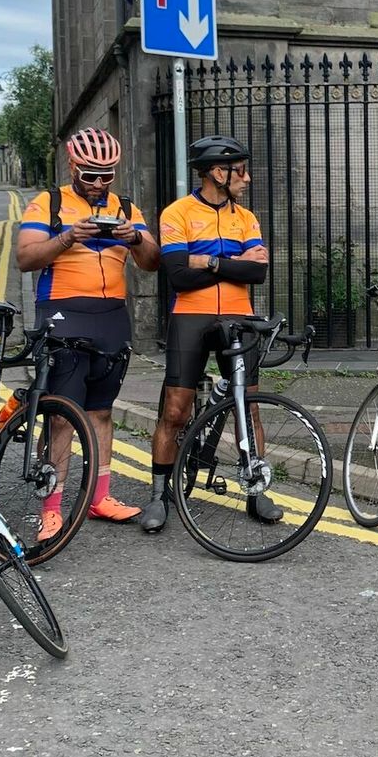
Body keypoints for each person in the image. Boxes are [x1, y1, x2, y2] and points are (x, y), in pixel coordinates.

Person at [16, 127, 160, 538]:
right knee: (62, 415)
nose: (99, 183)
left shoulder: (125, 208)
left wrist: (135, 238)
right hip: (63, 313)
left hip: (111, 316)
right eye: (91, 174)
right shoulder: (49, 202)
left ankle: (99, 498)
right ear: (73, 167)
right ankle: (51, 507)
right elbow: (25, 258)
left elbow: (152, 262)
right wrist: (67, 237)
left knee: (101, 412)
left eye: (107, 175)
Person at [145, 135, 281, 531]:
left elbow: (258, 272)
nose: (247, 178)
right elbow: (178, 276)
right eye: (240, 171)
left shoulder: (246, 218)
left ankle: (256, 490)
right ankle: (159, 495)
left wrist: (208, 261)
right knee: (175, 410)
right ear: (217, 173)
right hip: (190, 317)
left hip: (239, 317)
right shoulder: (177, 213)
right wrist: (235, 262)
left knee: (248, 407)